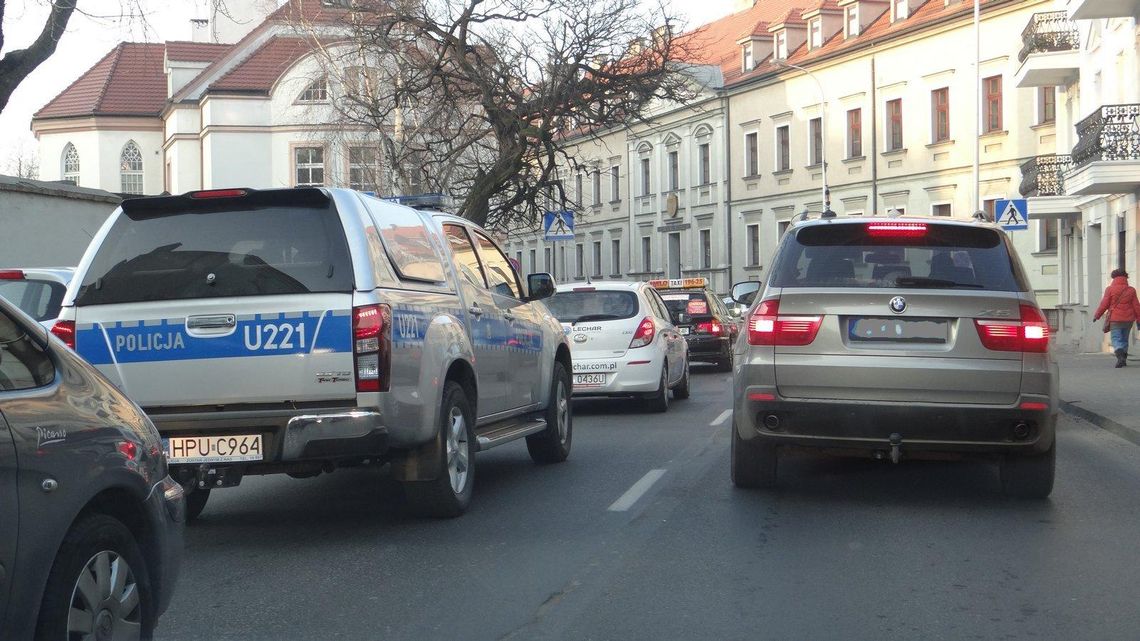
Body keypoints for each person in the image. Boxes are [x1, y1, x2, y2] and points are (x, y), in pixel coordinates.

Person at [1092, 268, 1140, 368]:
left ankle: (1119, 356)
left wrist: (1097, 315)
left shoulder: (1110, 289)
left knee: (1116, 338)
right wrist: (1139, 319)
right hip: (1128, 320)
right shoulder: (1131, 290)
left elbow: (1104, 304)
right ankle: (1124, 358)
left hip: (1115, 319)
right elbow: (1137, 306)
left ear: (1114, 278)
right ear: (1126, 277)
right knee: (1124, 339)